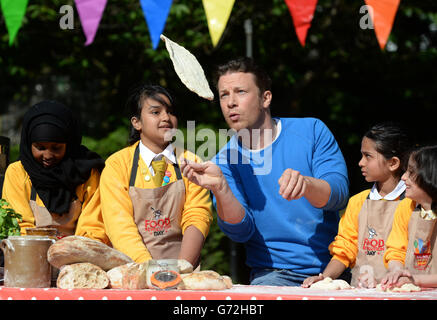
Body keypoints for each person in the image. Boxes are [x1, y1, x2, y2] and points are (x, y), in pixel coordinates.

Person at [180, 57, 349, 286]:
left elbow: (338, 195)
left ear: (265, 98)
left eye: (240, 91)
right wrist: (221, 189)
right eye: (224, 94)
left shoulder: (311, 130)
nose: (231, 102)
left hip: (335, 268)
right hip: (273, 275)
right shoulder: (223, 162)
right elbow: (240, 232)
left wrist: (307, 185)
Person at [99, 84, 213, 267]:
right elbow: (119, 226)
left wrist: (182, 268)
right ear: (136, 122)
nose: (166, 118)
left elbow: (198, 215)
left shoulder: (190, 161)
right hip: (133, 271)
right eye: (156, 112)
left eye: (171, 112)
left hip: (185, 273)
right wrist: (148, 269)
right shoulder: (117, 166)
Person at [302, 122, 412, 288]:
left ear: (393, 163)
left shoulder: (413, 203)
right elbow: (345, 248)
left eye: (368, 156)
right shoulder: (357, 202)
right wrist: (325, 277)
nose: (361, 162)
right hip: (361, 291)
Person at [2, 100, 108, 244]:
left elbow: (93, 227)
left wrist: (73, 253)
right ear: (28, 143)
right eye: (40, 148)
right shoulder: (17, 173)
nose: (47, 156)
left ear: (69, 144)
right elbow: (19, 226)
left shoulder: (87, 173)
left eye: (56, 148)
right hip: (30, 252)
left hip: (76, 255)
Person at [380, 145, 437, 289]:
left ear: (430, 175)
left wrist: (415, 279)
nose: (403, 177)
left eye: (411, 172)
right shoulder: (406, 206)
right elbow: (396, 251)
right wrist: (397, 271)